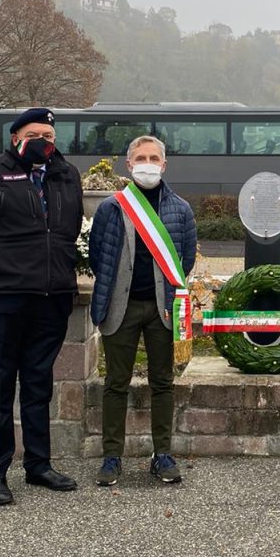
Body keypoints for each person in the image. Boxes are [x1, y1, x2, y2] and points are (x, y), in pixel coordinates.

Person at [0, 107, 84, 506]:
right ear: (15, 138)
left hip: (52, 298)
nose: (46, 139)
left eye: (50, 133)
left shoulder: (66, 175)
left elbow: (70, 230)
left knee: (39, 383)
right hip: (2, 300)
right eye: (36, 133)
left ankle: (39, 465)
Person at [86, 135, 197, 487]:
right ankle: (111, 458)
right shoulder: (111, 207)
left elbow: (187, 258)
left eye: (153, 158)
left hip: (163, 310)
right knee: (115, 384)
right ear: (129, 164)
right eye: (140, 158)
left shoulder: (180, 208)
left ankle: (162, 454)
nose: (146, 163)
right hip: (121, 307)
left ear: (163, 165)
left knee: (163, 383)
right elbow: (97, 256)